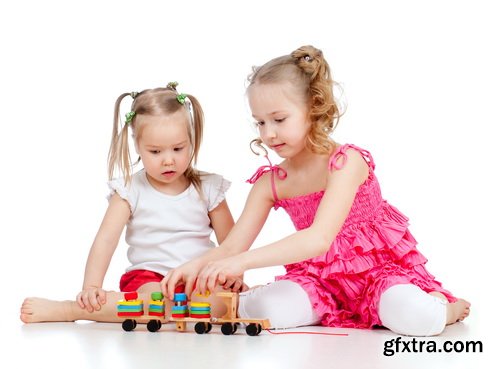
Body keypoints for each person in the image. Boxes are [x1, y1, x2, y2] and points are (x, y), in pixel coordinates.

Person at [162, 47, 471, 336]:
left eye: (279, 119)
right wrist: (192, 267)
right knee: (264, 309)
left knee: (416, 318)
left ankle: (445, 308)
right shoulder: (271, 182)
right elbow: (231, 248)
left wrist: (241, 264)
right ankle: (318, 308)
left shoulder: (346, 162)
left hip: (379, 276)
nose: (269, 133)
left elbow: (319, 238)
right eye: (260, 123)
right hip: (320, 281)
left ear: (313, 108)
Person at [21, 82, 236, 323]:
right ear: (137, 145)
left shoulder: (209, 187)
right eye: (155, 151)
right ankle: (72, 310)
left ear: (191, 140)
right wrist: (92, 286)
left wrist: (234, 274)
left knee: (219, 306)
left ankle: (177, 309)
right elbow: (106, 239)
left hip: (200, 277)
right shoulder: (129, 189)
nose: (168, 160)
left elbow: (233, 243)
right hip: (151, 278)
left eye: (178, 148)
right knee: (152, 305)